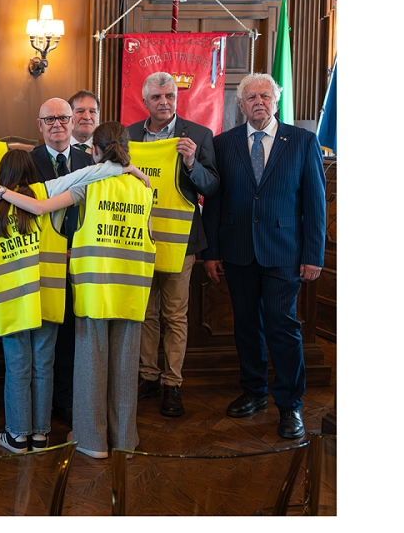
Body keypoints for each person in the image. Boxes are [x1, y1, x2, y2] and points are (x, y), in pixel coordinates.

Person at [0, 149, 146, 453]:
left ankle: (17, 435)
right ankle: (41, 435)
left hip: (11, 305)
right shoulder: (46, 195)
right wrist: (125, 168)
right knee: (44, 367)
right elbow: (84, 175)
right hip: (47, 301)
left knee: (18, 369)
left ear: (1, 176)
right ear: (32, 173)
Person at [0, 122, 155, 458]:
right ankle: (124, 439)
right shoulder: (143, 188)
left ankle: (93, 441)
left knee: (91, 369)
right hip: (134, 290)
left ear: (94, 151)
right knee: (125, 371)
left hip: (95, 290)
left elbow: (37, 207)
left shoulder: (88, 187)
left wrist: (2, 192)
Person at [202, 73, 326, 439]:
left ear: (276, 100)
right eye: (251, 96)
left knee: (282, 327)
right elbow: (215, 201)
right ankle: (254, 392)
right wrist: (211, 251)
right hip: (238, 251)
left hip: (285, 253)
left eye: (265, 96)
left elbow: (315, 205)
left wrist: (313, 255)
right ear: (240, 105)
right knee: (246, 326)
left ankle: (290, 405)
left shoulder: (303, 141)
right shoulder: (223, 144)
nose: (259, 101)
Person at [127, 71, 219, 418]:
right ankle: (148, 377)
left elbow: (211, 186)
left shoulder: (198, 135)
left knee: (175, 315)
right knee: (145, 313)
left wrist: (193, 162)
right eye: (157, 98)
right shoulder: (130, 136)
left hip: (182, 241)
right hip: (137, 239)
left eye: (170, 96)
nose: (164, 102)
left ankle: (172, 384)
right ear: (145, 100)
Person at [29, 98, 94, 429]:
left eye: (63, 118)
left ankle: (67, 402)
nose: (57, 124)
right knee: (45, 334)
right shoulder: (28, 162)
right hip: (42, 262)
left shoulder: (89, 159)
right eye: (49, 119)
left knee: (73, 334)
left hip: (83, 260)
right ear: (39, 125)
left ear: (73, 122)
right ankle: (43, 401)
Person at [68, 90, 100, 155]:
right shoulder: (57, 147)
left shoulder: (107, 149)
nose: (87, 117)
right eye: (80, 111)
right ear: (69, 115)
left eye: (92, 111)